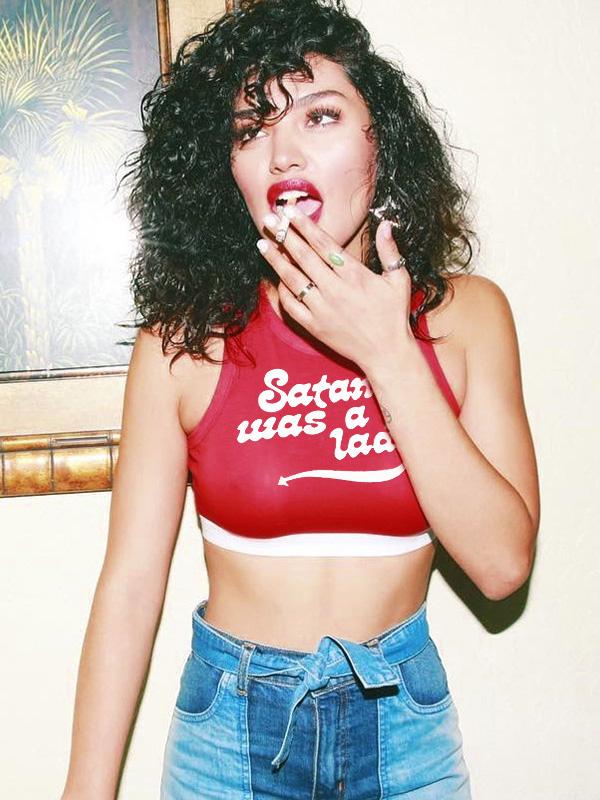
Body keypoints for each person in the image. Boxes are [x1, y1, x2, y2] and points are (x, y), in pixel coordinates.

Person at [60, 0, 540, 798]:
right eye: (251, 131)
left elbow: (501, 566)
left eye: (320, 116)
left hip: (402, 733)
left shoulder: (467, 317)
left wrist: (388, 352)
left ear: (381, 140)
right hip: (229, 737)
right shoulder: (184, 343)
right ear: (228, 172)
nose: (284, 153)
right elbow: (131, 588)